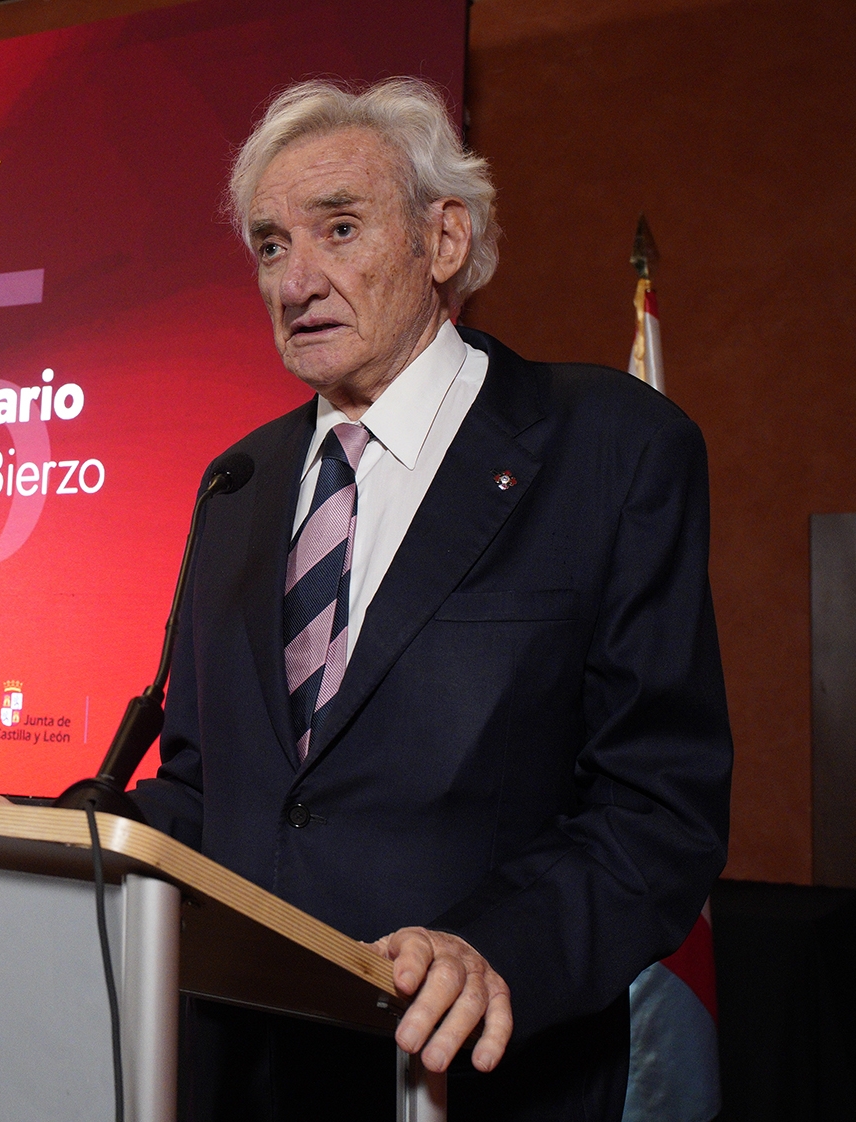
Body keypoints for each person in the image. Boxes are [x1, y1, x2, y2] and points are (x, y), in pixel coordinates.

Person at [127, 78, 733, 1121]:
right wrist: (61, 842)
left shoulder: (609, 448)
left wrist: (493, 948)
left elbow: (656, 809)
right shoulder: (238, 482)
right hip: (242, 1076)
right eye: (270, 245)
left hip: (480, 1079)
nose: (295, 280)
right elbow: (205, 794)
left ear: (443, 239)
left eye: (340, 229)